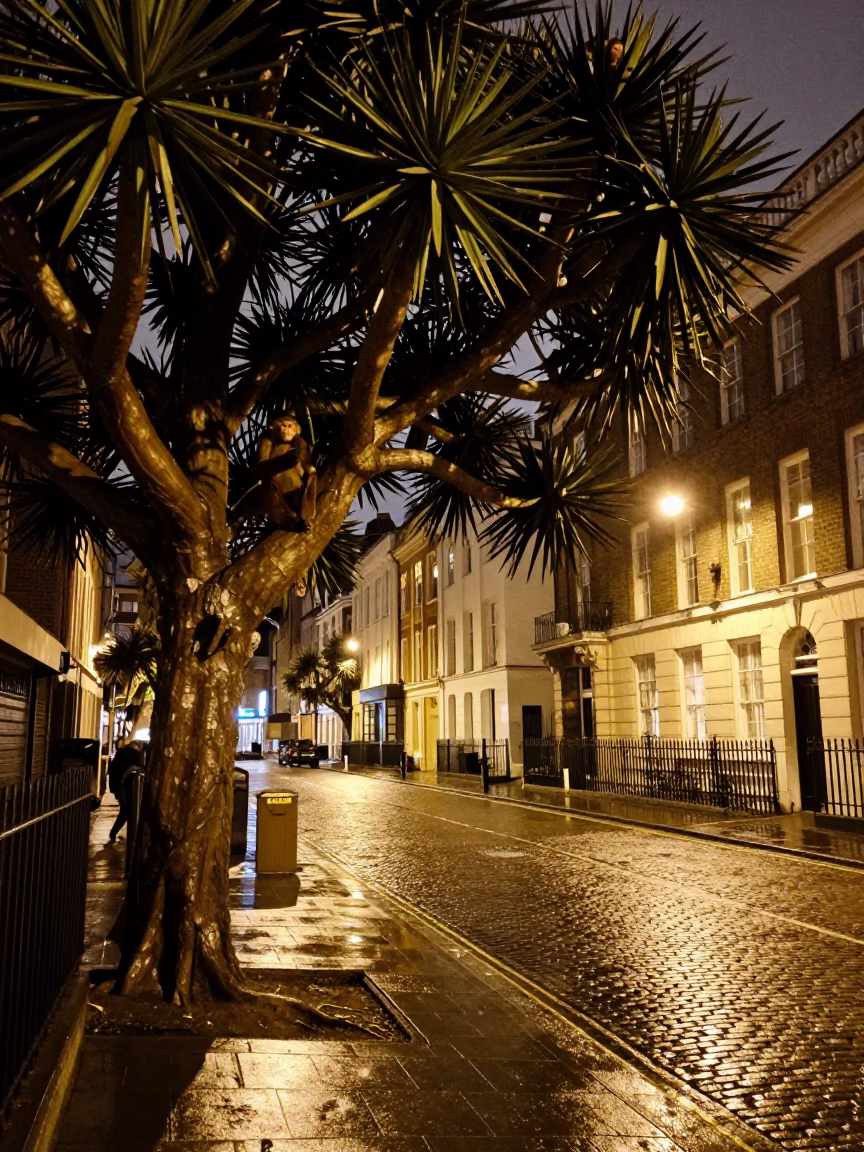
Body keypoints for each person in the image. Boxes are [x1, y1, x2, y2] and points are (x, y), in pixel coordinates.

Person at [107, 738, 145, 842]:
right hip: (122, 786)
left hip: (117, 786)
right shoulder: (134, 755)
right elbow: (137, 767)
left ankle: (123, 834)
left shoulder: (121, 754)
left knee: (126, 810)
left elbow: (113, 770)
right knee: (126, 811)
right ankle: (115, 833)